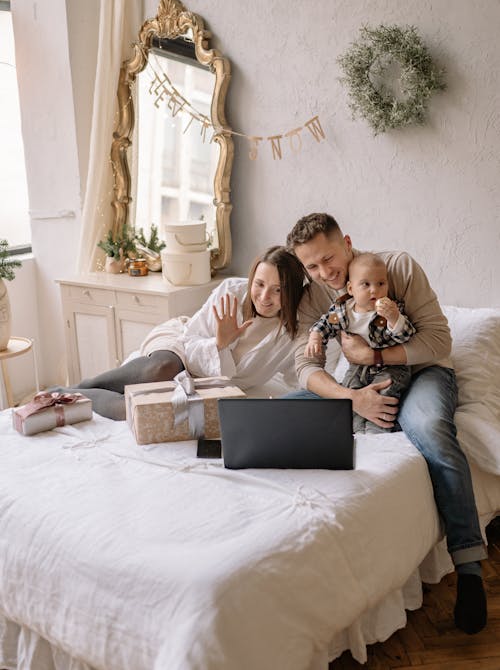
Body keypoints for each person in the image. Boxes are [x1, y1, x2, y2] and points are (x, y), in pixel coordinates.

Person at [286, 212, 487, 635]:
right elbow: (306, 365)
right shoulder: (315, 296)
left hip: (425, 371)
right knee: (286, 408)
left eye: (328, 259)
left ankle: (469, 569)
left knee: (430, 429)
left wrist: (371, 357)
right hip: (360, 387)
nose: (325, 273)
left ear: (347, 242)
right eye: (312, 267)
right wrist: (352, 399)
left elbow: (438, 341)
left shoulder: (396, 268)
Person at [65, 246, 306, 421]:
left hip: (213, 384)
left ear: (292, 292)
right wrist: (220, 343)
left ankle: (67, 397)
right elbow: (190, 340)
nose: (264, 297)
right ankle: (77, 387)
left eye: (278, 290)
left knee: (133, 410)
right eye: (260, 284)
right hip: (181, 347)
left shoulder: (293, 331)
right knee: (161, 369)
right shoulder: (232, 291)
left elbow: (300, 375)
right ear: (252, 279)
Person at [305, 252, 416, 433]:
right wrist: (315, 336)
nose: (374, 290)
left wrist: (394, 318)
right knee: (350, 394)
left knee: (383, 394)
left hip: (391, 367)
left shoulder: (391, 310)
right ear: (351, 289)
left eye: (381, 284)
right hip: (357, 367)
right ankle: (355, 432)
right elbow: (326, 323)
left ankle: (376, 431)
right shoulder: (343, 311)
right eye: (366, 284)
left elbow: (406, 336)